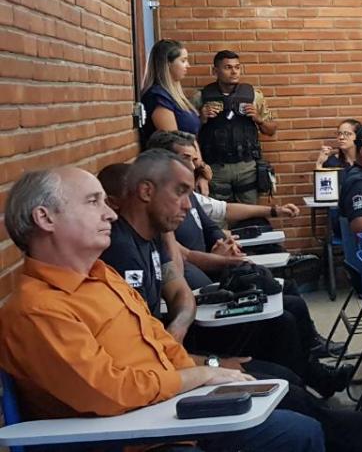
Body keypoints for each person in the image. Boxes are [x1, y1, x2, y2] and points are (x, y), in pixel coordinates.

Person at [0, 167, 324, 451]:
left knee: (292, 404)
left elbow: (162, 344)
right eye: (93, 201)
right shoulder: (36, 309)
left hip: (170, 415)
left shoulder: (102, 276)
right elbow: (108, 392)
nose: (110, 214)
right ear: (45, 218)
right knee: (297, 431)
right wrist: (200, 375)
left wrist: (210, 375)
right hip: (135, 440)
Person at [103, 150, 351, 398]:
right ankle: (311, 396)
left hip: (181, 335)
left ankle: (314, 383)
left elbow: (178, 288)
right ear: (145, 192)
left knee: (283, 323)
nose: (187, 204)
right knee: (285, 375)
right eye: (180, 192)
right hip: (169, 362)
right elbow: (142, 351)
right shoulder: (121, 252)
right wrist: (212, 363)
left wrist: (178, 328)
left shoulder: (152, 237)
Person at [194, 50, 277, 204]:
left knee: (250, 213)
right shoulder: (201, 97)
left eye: (237, 67)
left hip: (247, 167)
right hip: (215, 168)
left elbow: (271, 130)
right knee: (217, 213)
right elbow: (187, 135)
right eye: (228, 67)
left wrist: (259, 120)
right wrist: (201, 118)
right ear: (215, 71)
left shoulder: (254, 96)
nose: (234, 72)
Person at [139, 39, 201, 149]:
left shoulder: (173, 95)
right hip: (175, 158)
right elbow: (174, 144)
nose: (188, 65)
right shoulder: (158, 96)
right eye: (183, 61)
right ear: (168, 63)